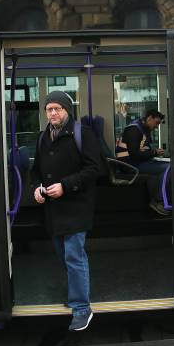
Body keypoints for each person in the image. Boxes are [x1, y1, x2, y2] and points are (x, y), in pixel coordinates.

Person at [31, 91, 102, 332]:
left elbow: (95, 169)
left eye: (57, 109)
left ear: (67, 110)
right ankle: (76, 294)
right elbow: (35, 171)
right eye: (49, 109)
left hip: (76, 207)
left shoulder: (83, 133)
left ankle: (82, 308)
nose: (52, 113)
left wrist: (66, 185)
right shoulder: (43, 137)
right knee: (65, 257)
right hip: (52, 209)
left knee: (74, 257)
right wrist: (37, 189)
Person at [115, 109, 170, 215]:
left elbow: (143, 150)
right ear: (149, 118)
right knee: (169, 167)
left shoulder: (142, 129)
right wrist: (154, 153)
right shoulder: (134, 130)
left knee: (167, 167)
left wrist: (153, 153)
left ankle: (159, 199)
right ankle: (158, 201)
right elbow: (135, 154)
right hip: (129, 165)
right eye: (157, 122)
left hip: (136, 162)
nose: (157, 126)